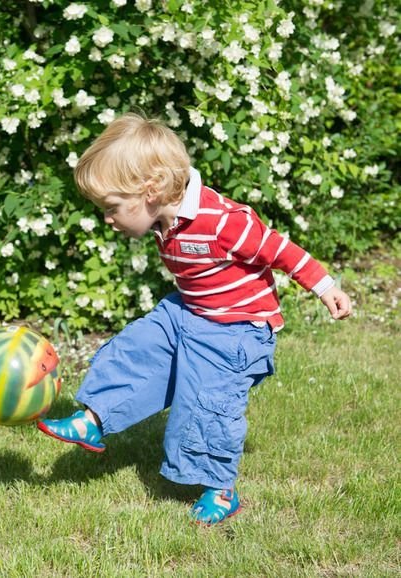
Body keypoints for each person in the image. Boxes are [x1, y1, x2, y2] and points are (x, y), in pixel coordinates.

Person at [37, 112, 352, 525]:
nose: (107, 219)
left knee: (209, 404)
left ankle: (221, 488)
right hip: (189, 310)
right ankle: (92, 420)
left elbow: (279, 250)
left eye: (111, 208)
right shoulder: (166, 218)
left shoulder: (222, 221)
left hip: (238, 328)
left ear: (149, 191)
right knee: (137, 349)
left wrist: (326, 287)